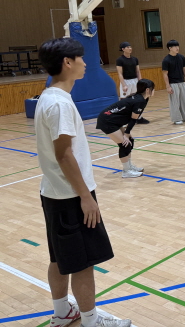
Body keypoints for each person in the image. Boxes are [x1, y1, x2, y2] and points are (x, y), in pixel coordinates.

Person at [35, 38, 131, 327]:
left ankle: (62, 312)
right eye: (81, 58)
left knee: (59, 258)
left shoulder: (49, 97)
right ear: (68, 62)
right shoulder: (59, 104)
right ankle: (91, 321)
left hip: (54, 193)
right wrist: (86, 197)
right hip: (71, 197)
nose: (86, 63)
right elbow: (64, 155)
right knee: (83, 263)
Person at [96, 79, 155, 178]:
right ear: (148, 90)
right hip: (107, 121)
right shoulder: (139, 100)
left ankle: (129, 166)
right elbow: (133, 119)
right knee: (124, 144)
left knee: (130, 141)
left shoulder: (143, 99)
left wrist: (127, 135)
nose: (154, 91)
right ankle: (126, 171)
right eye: (153, 88)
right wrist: (126, 134)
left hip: (115, 120)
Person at [162, 39, 185, 125]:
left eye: (178, 46)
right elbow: (165, 74)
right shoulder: (166, 60)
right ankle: (176, 119)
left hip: (182, 82)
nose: (177, 48)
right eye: (175, 46)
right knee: (175, 102)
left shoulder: (181, 57)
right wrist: (168, 86)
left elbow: (184, 69)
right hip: (173, 83)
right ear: (170, 48)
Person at [115, 42, 149, 124]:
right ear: (123, 49)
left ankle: (138, 117)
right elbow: (120, 73)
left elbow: (138, 71)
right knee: (124, 100)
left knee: (138, 100)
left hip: (135, 81)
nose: (130, 48)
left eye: (130, 47)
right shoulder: (120, 60)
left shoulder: (135, 59)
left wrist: (140, 82)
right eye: (128, 47)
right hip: (126, 81)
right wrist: (124, 85)